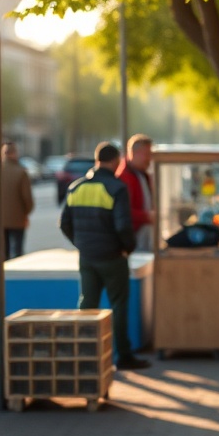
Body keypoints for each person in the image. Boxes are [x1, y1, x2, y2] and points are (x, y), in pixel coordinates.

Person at [60, 142, 150, 371]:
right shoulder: (117, 188)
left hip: (87, 257)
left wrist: (81, 244)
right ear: (116, 161)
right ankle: (123, 356)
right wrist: (127, 248)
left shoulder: (76, 187)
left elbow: (65, 224)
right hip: (112, 257)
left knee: (87, 304)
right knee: (119, 305)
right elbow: (123, 227)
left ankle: (84, 353)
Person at [0, 141, 35, 259]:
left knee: (2, 253)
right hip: (17, 219)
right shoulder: (21, 172)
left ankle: (3, 275)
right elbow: (28, 199)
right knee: (17, 252)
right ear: (15, 153)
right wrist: (25, 214)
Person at [116, 134, 155, 251]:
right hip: (132, 240)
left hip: (144, 237)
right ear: (133, 153)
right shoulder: (124, 178)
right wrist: (147, 216)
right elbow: (123, 211)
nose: (149, 159)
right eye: (147, 154)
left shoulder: (142, 174)